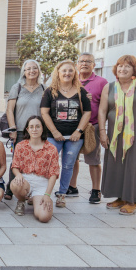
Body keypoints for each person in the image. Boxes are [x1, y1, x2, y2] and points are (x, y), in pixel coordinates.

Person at [98, 55, 136, 215]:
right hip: (115, 132)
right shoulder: (109, 87)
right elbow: (102, 110)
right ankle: (121, 197)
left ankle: (132, 201)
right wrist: (102, 132)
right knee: (116, 163)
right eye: (120, 66)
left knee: (134, 164)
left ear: (134, 69)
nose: (122, 69)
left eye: (127, 66)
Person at [40, 59, 91, 209]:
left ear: (74, 73)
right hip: (53, 135)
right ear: (58, 73)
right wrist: (55, 132)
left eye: (70, 70)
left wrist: (78, 131)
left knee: (68, 165)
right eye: (64, 71)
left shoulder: (81, 92)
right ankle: (43, 193)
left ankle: (62, 194)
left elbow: (87, 112)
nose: (67, 73)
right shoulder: (50, 91)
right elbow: (44, 112)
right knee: (48, 163)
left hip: (74, 137)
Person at [67, 53, 108, 203]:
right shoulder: (70, 79)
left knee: (93, 160)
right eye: (81, 61)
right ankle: (72, 186)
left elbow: (106, 106)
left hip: (93, 126)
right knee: (72, 158)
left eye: (88, 61)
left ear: (94, 65)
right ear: (77, 64)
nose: (84, 64)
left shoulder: (102, 82)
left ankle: (96, 190)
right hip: (73, 126)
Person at [4, 59, 45, 200]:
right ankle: (10, 188)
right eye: (28, 69)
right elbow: (9, 109)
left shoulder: (44, 89)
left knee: (35, 160)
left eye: (34, 68)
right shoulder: (18, 87)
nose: (31, 71)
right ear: (24, 72)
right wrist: (13, 129)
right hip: (21, 130)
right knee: (17, 160)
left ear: (38, 71)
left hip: (38, 132)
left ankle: (32, 189)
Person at [10, 116, 60, 222]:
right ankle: (21, 200)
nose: (34, 129)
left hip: (42, 183)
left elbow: (54, 174)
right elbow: (15, 166)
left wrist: (47, 194)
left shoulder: (51, 149)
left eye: (38, 126)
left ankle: (34, 199)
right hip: (25, 180)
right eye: (31, 127)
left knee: (44, 217)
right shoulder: (20, 146)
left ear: (42, 129)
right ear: (27, 129)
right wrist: (18, 174)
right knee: (15, 184)